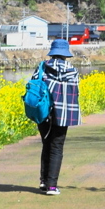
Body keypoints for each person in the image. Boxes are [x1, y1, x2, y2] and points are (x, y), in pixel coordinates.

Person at [35, 38, 82, 196]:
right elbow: (75, 92)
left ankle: (43, 181)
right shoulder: (72, 70)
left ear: (52, 52)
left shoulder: (42, 67)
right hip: (62, 113)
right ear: (65, 54)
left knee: (46, 144)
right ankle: (52, 186)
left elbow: (34, 86)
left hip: (43, 112)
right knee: (57, 147)